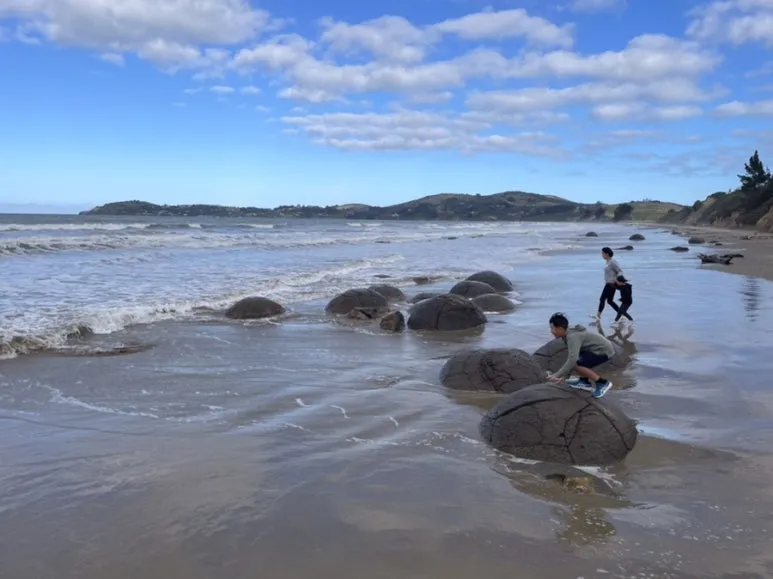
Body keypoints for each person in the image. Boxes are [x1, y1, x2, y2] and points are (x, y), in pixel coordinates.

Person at [546, 312, 615, 398]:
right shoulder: (567, 333)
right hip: (593, 349)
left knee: (577, 363)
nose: (551, 331)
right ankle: (584, 382)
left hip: (603, 351)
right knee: (577, 361)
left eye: (552, 329)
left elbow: (572, 359)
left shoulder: (572, 337)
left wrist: (556, 375)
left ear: (560, 329)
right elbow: (574, 356)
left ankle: (602, 383)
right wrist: (565, 377)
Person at [596, 247, 623, 322]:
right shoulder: (607, 262)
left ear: (607, 254)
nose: (602, 255)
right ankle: (621, 314)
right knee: (610, 301)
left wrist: (617, 280)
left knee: (602, 299)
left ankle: (598, 315)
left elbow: (620, 271)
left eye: (603, 253)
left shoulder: (612, 262)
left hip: (611, 284)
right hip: (608, 283)